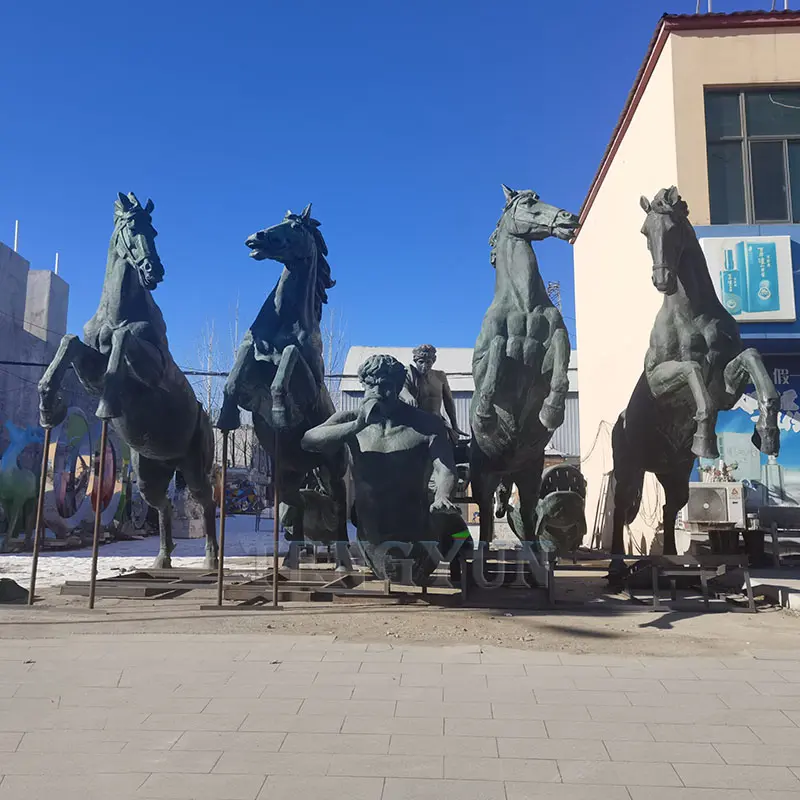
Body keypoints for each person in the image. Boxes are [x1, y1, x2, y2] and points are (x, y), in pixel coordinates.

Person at [302, 354, 467, 583]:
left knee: (458, 529)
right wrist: (357, 425)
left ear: (399, 387)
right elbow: (309, 440)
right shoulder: (350, 421)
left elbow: (446, 469)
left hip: (418, 532)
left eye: (386, 386)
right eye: (371, 385)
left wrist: (442, 495)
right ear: (363, 386)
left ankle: (463, 555)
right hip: (372, 535)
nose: (378, 392)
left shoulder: (427, 425)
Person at [402, 344, 469, 447]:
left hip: (437, 422)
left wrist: (454, 425)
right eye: (421, 362)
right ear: (415, 361)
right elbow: (403, 388)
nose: (424, 366)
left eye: (428, 362)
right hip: (416, 423)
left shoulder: (440, 376)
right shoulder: (409, 373)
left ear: (434, 360)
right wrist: (407, 396)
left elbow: (449, 401)